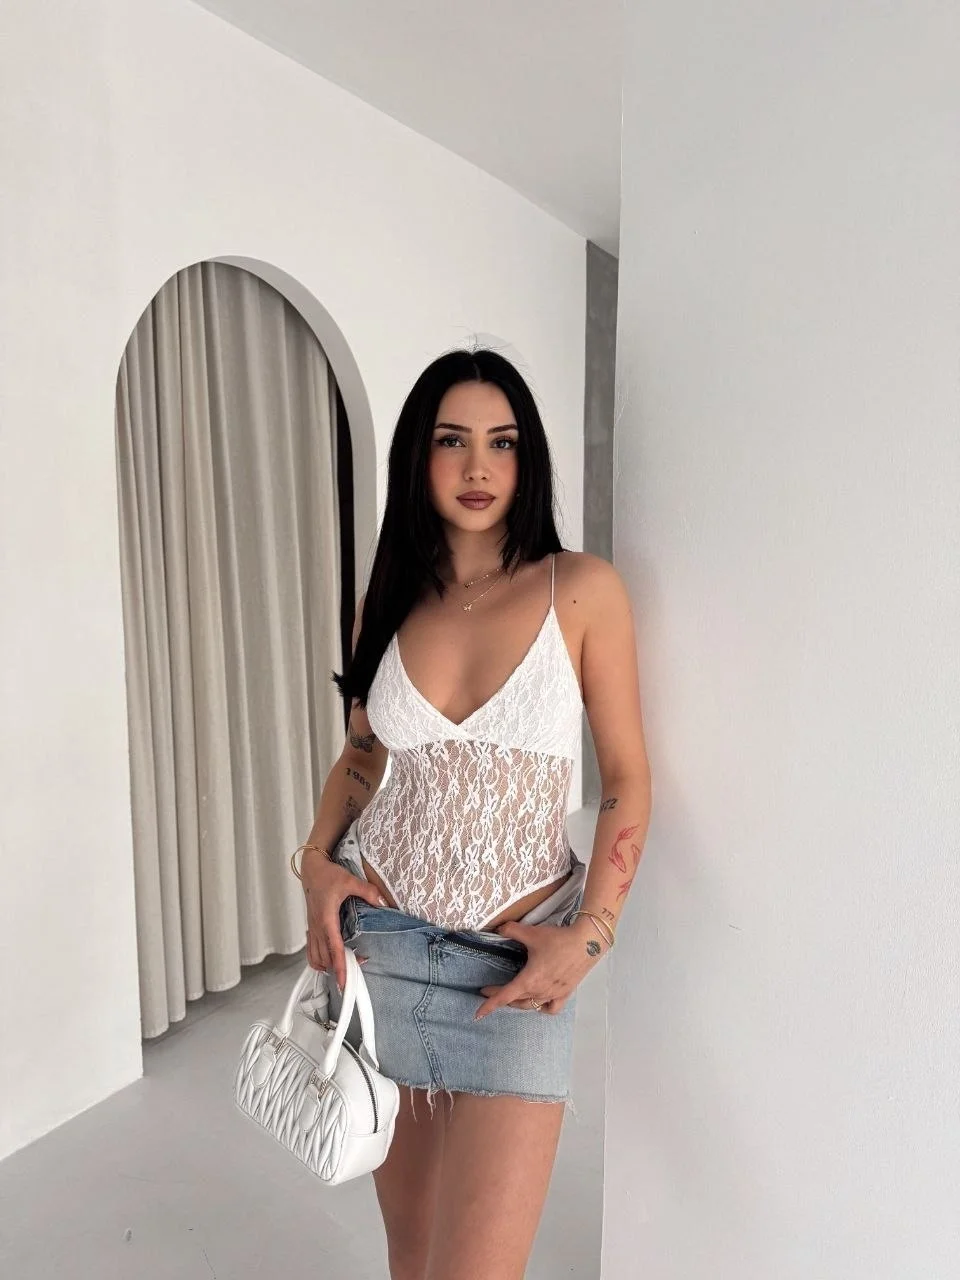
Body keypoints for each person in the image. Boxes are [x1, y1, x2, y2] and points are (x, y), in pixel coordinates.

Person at [292, 348, 652, 1280]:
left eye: (504, 442)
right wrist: (315, 862)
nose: (479, 466)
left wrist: (593, 934)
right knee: (410, 1255)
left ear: (528, 460)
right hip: (382, 952)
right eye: (453, 441)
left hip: (513, 974)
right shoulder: (387, 603)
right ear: (420, 455)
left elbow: (625, 778)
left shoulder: (581, 588)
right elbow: (362, 755)